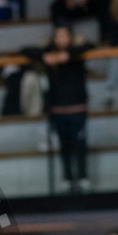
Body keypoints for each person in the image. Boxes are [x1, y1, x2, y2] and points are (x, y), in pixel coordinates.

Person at [27, 24, 93, 193]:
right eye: (58, 36)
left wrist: (68, 55)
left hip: (77, 107)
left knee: (79, 143)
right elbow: (26, 51)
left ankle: (83, 176)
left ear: (70, 37)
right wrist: (45, 55)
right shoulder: (50, 53)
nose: (61, 39)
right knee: (64, 145)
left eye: (65, 36)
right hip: (57, 108)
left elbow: (91, 45)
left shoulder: (76, 53)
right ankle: (68, 177)